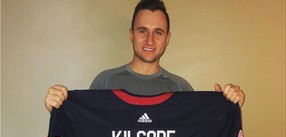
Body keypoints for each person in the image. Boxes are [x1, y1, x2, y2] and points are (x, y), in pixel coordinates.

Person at [44, 0, 245, 113]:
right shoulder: (105, 81)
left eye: (158, 32)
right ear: (131, 34)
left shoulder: (181, 88)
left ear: (167, 39)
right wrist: (59, 110)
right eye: (142, 31)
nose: (150, 40)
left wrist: (226, 108)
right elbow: (85, 133)